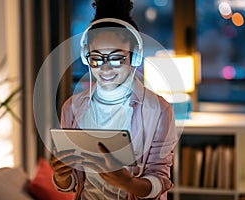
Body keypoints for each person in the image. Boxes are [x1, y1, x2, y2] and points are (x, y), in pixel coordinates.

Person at [50, 0, 177, 199]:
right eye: (96, 58)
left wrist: (129, 183)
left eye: (116, 58)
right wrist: (61, 175)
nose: (105, 68)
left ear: (134, 57)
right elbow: (73, 183)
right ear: (86, 57)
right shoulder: (72, 108)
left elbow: (160, 179)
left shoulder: (159, 110)